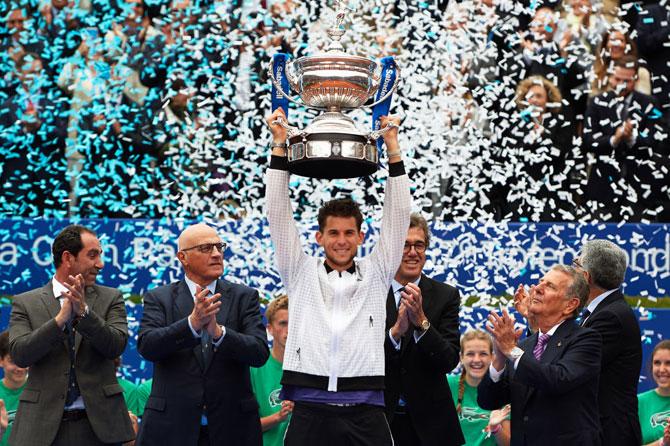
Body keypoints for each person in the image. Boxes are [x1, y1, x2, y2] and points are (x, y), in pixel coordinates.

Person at [265, 107, 411, 446]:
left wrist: (392, 147)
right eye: (333, 233)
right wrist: (279, 146)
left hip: (367, 409)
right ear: (320, 238)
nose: (341, 241)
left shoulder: (377, 272)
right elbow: (277, 213)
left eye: (349, 233)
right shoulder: (300, 272)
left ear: (362, 236)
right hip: (308, 407)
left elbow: (399, 214)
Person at [136, 222, 269, 446]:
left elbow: (258, 352)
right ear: (182, 257)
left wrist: (219, 333)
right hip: (172, 428)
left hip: (233, 428)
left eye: (219, 247)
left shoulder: (244, 296)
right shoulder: (159, 298)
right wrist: (192, 324)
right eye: (206, 248)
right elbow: (148, 346)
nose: (217, 254)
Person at [8, 224, 135, 445]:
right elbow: (20, 354)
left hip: (100, 427)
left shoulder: (111, 298)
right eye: (93, 255)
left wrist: (84, 312)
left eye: (101, 255)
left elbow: (116, 345)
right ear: (68, 258)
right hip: (42, 429)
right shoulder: (25, 303)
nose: (101, 264)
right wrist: (59, 320)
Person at [478, 265, 602, 445]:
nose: (537, 288)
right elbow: (488, 401)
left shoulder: (586, 339)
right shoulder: (525, 346)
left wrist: (511, 350)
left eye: (550, 286)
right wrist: (498, 359)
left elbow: (557, 380)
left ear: (570, 305)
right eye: (539, 282)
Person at [384, 213, 464, 445]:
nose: (412, 252)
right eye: (405, 245)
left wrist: (422, 323)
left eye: (419, 245)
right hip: (380, 421)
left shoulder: (446, 295)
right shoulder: (371, 292)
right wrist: (395, 333)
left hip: (431, 427)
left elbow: (449, 360)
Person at [572, 239, 643, 445]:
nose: (572, 270)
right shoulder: (605, 311)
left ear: (586, 277)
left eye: (576, 264)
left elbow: (572, 366)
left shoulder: (610, 317)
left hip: (610, 434)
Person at [583, 54, 670, 221]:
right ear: (609, 76)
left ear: (635, 79)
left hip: (640, 189)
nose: (621, 85)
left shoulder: (649, 103)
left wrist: (632, 139)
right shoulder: (596, 102)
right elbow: (588, 140)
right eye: (617, 79)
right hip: (603, 187)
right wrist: (613, 139)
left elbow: (657, 141)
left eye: (627, 81)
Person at [448, 330, 511, 446]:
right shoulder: (448, 385)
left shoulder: (503, 389)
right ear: (461, 357)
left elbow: (508, 444)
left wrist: (496, 428)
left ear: (492, 357)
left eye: (483, 354)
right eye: (470, 354)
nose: (476, 360)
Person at [250, 295, 294, 446]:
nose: (289, 330)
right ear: (269, 329)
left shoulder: (314, 366)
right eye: (283, 323)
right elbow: (241, 427)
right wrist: (278, 417)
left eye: (294, 323)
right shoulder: (255, 367)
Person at [638, 340, 670, 446]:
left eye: (668, 363)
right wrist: (662, 443)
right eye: (657, 363)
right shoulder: (639, 402)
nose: (662, 369)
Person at [0, 331, 27, 446]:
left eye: (23, 360)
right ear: (1, 361)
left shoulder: (40, 390)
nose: (19, 368)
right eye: (12, 361)